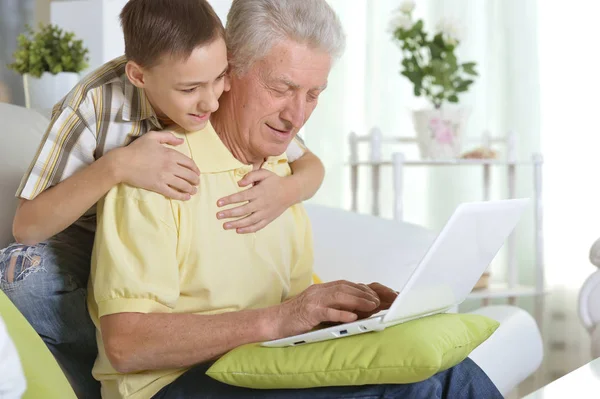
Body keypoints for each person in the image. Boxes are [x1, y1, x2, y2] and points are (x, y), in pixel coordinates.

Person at [89, 0, 504, 398]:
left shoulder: (280, 175)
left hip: (258, 367)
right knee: (425, 388)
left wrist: (342, 316)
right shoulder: (156, 174)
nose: (298, 116)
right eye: (282, 88)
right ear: (228, 71)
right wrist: (280, 319)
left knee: (447, 370)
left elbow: (286, 316)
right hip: (173, 386)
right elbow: (126, 344)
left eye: (313, 94)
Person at [0, 0, 325, 397]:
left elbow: (309, 163)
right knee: (23, 276)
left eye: (220, 79)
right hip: (86, 240)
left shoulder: (221, 83)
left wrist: (287, 190)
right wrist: (117, 166)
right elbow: (27, 225)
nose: (210, 101)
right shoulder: (97, 105)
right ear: (139, 75)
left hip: (160, 255)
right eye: (189, 89)